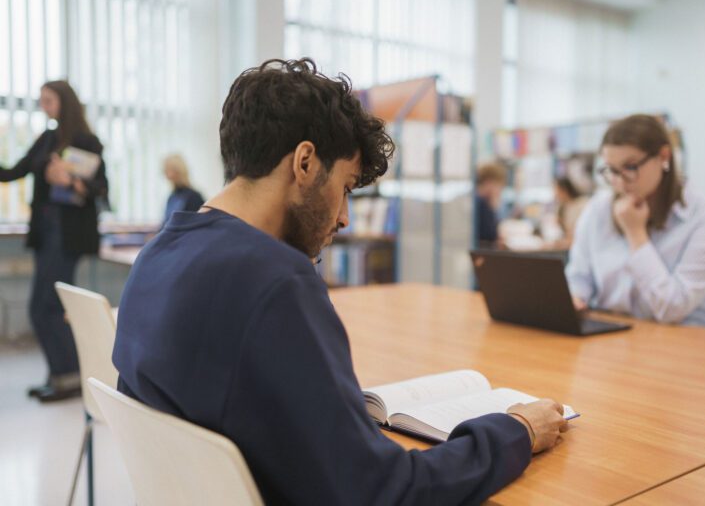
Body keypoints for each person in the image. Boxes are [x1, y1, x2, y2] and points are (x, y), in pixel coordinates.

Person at [113, 59, 568, 505]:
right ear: (305, 163)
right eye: (346, 188)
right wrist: (517, 431)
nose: (345, 217)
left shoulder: (157, 255)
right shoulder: (276, 281)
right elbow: (386, 492)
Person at [566, 114, 705, 329]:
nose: (620, 182)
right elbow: (578, 278)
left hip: (690, 339)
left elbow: (672, 309)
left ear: (664, 157)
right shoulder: (598, 209)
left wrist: (636, 234)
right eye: (612, 170)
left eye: (630, 167)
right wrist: (575, 297)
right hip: (617, 334)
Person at [0, 80, 108, 401]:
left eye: (48, 100)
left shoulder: (86, 140)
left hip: (68, 233)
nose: (43, 106)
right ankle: (61, 375)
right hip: (46, 231)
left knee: (45, 306)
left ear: (64, 101)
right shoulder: (47, 139)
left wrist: (71, 180)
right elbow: (14, 172)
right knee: (46, 306)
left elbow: (101, 189)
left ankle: (68, 376)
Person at [161, 153, 204, 226]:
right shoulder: (172, 197)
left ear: (178, 171)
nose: (165, 173)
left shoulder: (194, 197)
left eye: (167, 170)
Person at [475, 161, 507, 246]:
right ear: (489, 183)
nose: (500, 191)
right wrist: (493, 208)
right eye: (499, 186)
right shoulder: (480, 203)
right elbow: (491, 235)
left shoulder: (482, 201)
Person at [553, 176, 588, 244]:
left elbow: (579, 233)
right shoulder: (562, 207)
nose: (555, 194)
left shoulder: (582, 203)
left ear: (565, 190)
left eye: (557, 190)